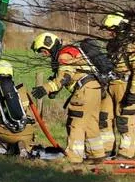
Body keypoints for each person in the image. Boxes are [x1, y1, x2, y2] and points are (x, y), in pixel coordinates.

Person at [29, 32, 109, 164]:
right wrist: (55, 88)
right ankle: (96, 155)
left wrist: (45, 88)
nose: (44, 55)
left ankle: (74, 158)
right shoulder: (71, 50)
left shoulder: (64, 54)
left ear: (49, 46)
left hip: (84, 91)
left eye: (44, 51)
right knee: (90, 123)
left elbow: (65, 77)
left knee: (75, 124)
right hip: (95, 89)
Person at [103, 13, 135, 158]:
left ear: (121, 28)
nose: (109, 33)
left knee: (125, 121)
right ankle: (106, 150)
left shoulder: (133, 45)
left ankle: (125, 153)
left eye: (112, 29)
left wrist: (133, 93)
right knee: (104, 118)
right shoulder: (112, 44)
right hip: (110, 84)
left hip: (125, 85)